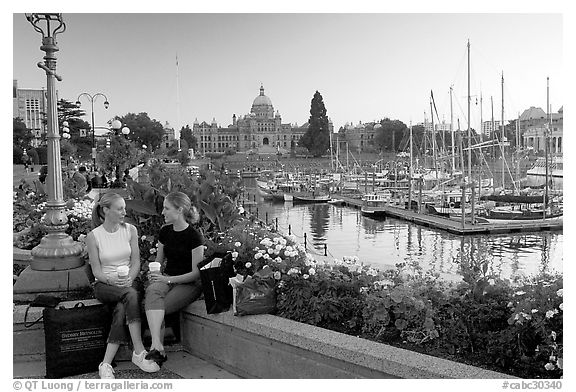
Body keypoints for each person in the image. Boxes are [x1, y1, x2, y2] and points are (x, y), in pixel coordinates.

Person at [86, 192, 160, 379]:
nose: (123, 212)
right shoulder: (94, 236)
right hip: (105, 284)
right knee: (131, 295)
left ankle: (105, 364)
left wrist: (130, 278)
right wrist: (111, 280)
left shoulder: (130, 230)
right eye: (119, 209)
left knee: (122, 307)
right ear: (105, 210)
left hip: (129, 281)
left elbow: (136, 262)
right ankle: (139, 350)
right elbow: (96, 271)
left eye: (124, 209)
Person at [143, 191, 204, 366]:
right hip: (167, 277)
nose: (162, 212)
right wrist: (155, 274)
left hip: (188, 283)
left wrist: (167, 280)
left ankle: (156, 350)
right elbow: (159, 261)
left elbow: (196, 273)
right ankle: (157, 347)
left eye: (166, 208)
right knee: (153, 291)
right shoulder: (165, 231)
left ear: (179, 210)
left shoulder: (194, 236)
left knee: (158, 306)